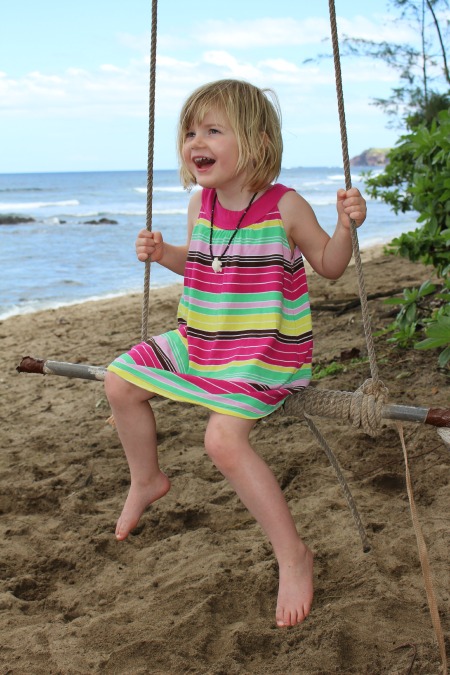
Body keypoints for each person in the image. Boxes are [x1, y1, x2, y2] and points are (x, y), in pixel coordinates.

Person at [104, 79, 367, 628]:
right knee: (120, 381)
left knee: (222, 440)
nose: (196, 141)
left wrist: (345, 226)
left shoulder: (284, 205)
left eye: (213, 130)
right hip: (200, 339)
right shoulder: (201, 202)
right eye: (190, 131)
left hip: (262, 353)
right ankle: (146, 478)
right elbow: (202, 264)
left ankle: (293, 554)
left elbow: (330, 264)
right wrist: (165, 254)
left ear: (256, 140)